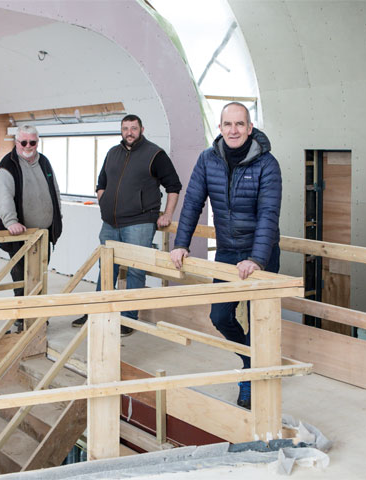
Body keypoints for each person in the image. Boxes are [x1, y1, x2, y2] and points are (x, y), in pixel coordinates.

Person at [170, 102, 282, 409]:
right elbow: (193, 202)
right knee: (219, 315)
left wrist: (257, 259)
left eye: (239, 124)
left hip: (262, 253)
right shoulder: (208, 160)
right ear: (219, 128)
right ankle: (250, 360)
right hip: (228, 252)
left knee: (259, 322)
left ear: (249, 127)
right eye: (227, 124)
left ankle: (248, 385)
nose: (233, 130)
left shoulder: (267, 164)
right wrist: (181, 243)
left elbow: (269, 215)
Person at [72, 114, 182, 335]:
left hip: (139, 222)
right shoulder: (113, 152)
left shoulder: (155, 154)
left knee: (135, 270)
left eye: (133, 128)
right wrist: (104, 202)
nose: (129, 132)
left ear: (142, 129)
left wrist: (167, 214)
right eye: (125, 128)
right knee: (106, 267)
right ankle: (97, 312)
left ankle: (128, 319)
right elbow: (101, 183)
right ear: (121, 130)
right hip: (110, 223)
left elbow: (174, 186)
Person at [0, 124, 62, 331]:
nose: (28, 146)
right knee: (21, 276)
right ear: (16, 142)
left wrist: (57, 216)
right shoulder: (8, 165)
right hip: (21, 234)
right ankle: (22, 317)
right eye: (23, 142)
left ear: (37, 142)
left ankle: (38, 314)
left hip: (43, 233)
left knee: (40, 274)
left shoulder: (44, 162)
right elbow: (3, 196)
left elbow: (55, 190)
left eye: (32, 142)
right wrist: (11, 222)